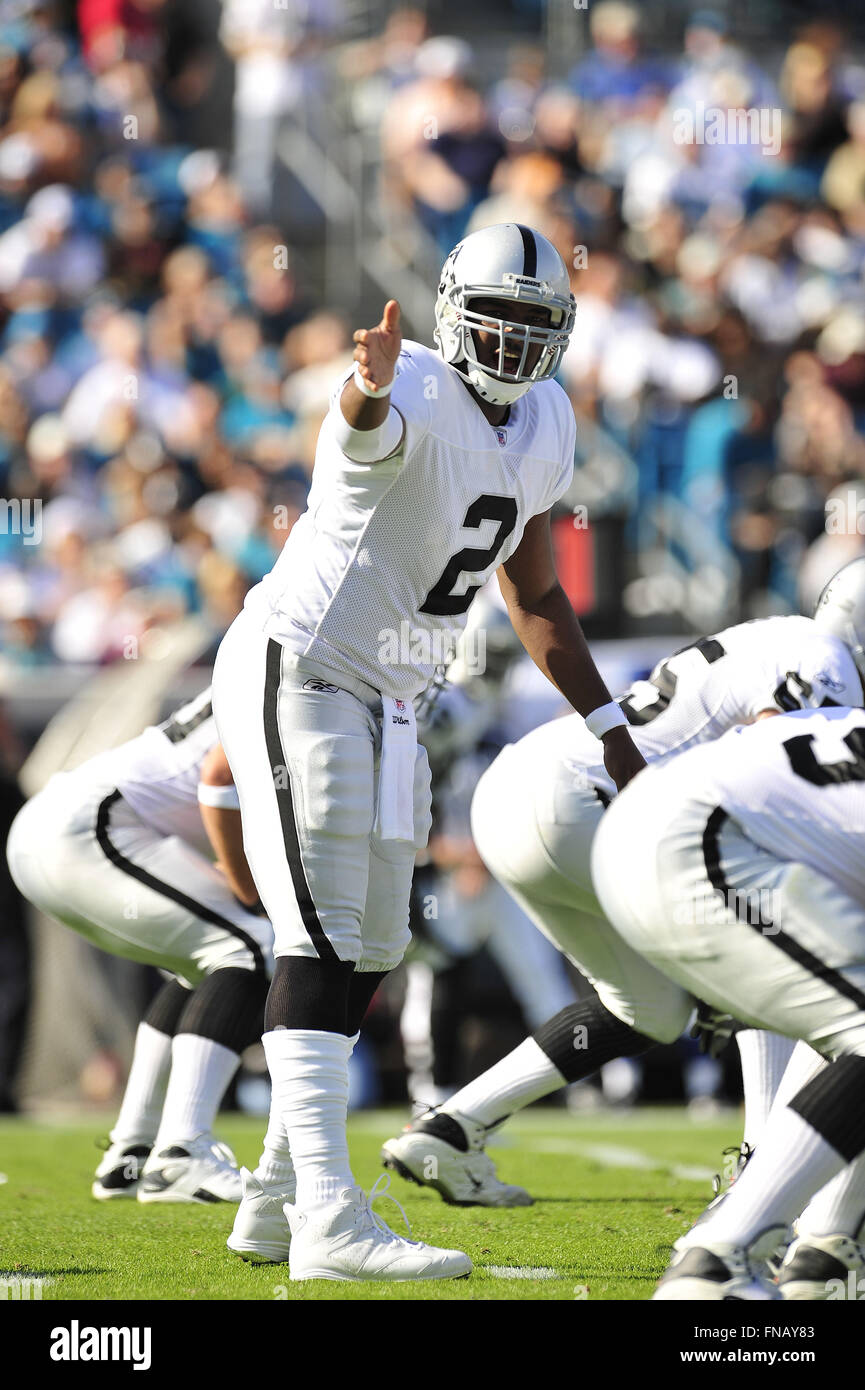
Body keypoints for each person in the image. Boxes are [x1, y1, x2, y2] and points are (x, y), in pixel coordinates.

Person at [212, 222, 645, 1282]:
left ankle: (275, 1196)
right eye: (494, 318)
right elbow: (364, 434)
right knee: (316, 935)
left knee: (369, 948)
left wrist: (610, 727)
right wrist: (362, 392)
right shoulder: (398, 376)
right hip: (305, 664)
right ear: (453, 307)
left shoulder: (546, 419)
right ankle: (326, 1221)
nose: (510, 342)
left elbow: (535, 590)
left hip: (396, 694)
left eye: (533, 323)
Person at [381, 563, 865, 1205]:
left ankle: (451, 1127)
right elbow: (769, 761)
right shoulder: (823, 660)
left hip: (525, 789)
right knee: (770, 937)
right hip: (589, 795)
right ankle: (759, 1169)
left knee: (650, 1008)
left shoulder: (778, 637)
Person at [592, 703, 865, 1300]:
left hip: (636, 832)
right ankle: (720, 1257)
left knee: (850, 1015)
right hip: (700, 842)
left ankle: (823, 1254)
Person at [6, 686, 273, 1204]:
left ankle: (132, 1153)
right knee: (251, 946)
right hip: (90, 826)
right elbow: (219, 779)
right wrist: (248, 890)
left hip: (55, 826)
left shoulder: (273, 653)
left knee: (205, 961)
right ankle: (183, 1152)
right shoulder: (297, 664)